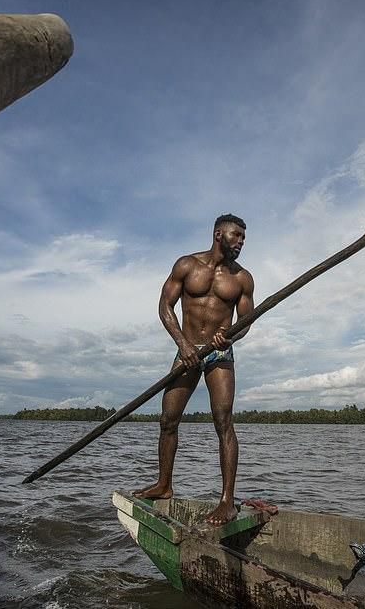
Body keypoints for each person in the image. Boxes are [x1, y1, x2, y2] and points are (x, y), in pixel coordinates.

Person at [134, 213, 255, 525]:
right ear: (218, 234)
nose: (240, 242)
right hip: (187, 352)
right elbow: (165, 305)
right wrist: (183, 343)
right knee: (167, 420)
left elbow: (246, 322)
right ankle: (164, 485)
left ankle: (227, 501)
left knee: (223, 421)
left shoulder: (242, 279)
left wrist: (230, 334)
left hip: (220, 354)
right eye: (236, 235)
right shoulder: (186, 265)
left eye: (243, 237)